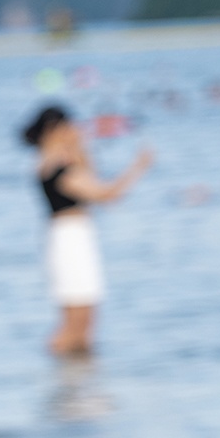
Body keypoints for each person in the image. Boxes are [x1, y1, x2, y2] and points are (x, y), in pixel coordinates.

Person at [23, 105, 152, 356]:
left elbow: (92, 179)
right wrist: (139, 166)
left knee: (86, 317)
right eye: (68, 126)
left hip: (74, 235)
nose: (74, 131)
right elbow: (106, 193)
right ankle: (58, 372)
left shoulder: (54, 161)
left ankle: (80, 381)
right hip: (69, 238)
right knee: (75, 319)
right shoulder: (54, 165)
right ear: (54, 129)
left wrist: (79, 147)